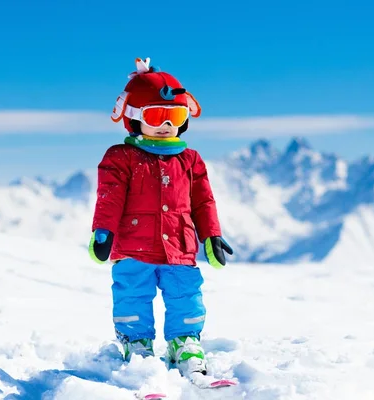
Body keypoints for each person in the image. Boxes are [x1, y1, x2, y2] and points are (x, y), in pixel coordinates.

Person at [88, 57, 234, 376]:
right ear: (134, 118)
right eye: (157, 115)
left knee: (186, 294)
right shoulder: (121, 158)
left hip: (179, 249)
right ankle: (136, 343)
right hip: (132, 248)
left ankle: (185, 341)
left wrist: (212, 235)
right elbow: (109, 199)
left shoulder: (190, 160)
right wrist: (103, 232)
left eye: (175, 116)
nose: (167, 124)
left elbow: (203, 201)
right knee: (132, 294)